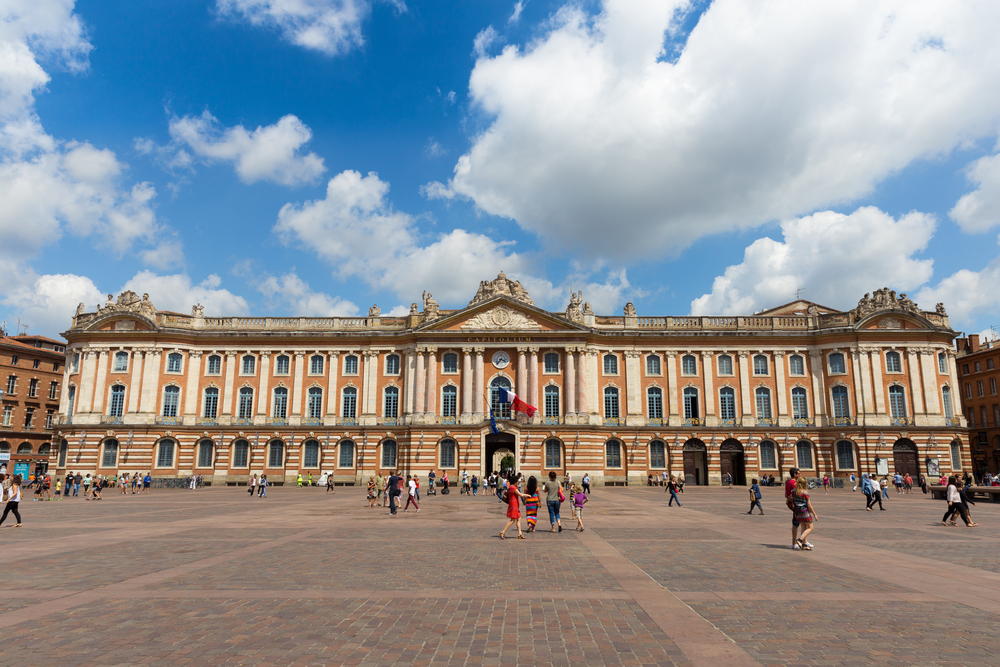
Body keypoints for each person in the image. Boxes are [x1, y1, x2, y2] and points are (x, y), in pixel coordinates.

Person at [790, 477, 817, 550]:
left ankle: (804, 544)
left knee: (803, 527)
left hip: (797, 512)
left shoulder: (793, 491)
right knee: (811, 527)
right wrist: (814, 514)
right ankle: (800, 540)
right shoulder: (805, 492)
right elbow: (809, 504)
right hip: (804, 512)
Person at [499, 474, 524, 539]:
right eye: (517, 482)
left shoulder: (510, 487)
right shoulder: (513, 488)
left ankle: (520, 533)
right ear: (515, 482)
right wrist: (528, 495)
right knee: (513, 520)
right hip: (514, 506)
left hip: (515, 505)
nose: (518, 483)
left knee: (519, 518)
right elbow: (520, 494)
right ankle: (503, 531)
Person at [785, 467, 801, 546]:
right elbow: (798, 494)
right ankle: (795, 543)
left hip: (792, 504)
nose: (800, 475)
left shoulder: (787, 482)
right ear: (795, 474)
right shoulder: (794, 483)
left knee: (801, 523)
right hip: (797, 504)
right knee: (798, 523)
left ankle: (804, 541)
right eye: (799, 473)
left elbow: (786, 495)